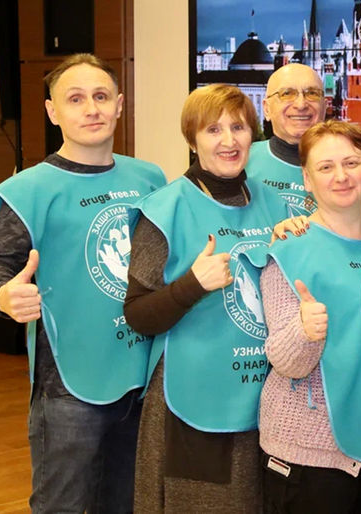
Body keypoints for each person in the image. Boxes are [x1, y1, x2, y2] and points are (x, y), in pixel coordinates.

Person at [0, 53, 165, 512]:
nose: (91, 109)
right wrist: (4, 295)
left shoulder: (150, 178)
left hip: (142, 375)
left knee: (127, 503)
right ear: (52, 111)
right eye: (75, 99)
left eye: (101, 96)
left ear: (119, 105)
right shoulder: (28, 190)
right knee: (61, 505)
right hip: (68, 386)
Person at [123, 84, 288, 513]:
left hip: (266, 395)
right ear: (192, 140)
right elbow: (138, 315)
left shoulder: (275, 204)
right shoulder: (166, 208)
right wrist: (192, 284)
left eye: (239, 127)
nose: (229, 140)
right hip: (192, 402)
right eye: (213, 130)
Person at [250, 120, 361, 513]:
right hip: (312, 457)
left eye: (351, 163)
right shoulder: (289, 248)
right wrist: (304, 331)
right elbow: (287, 362)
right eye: (325, 167)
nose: (341, 176)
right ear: (307, 180)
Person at [247, 62, 361, 217]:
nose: (301, 105)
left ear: (324, 107)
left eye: (312, 93)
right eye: (287, 94)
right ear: (266, 109)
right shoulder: (242, 164)